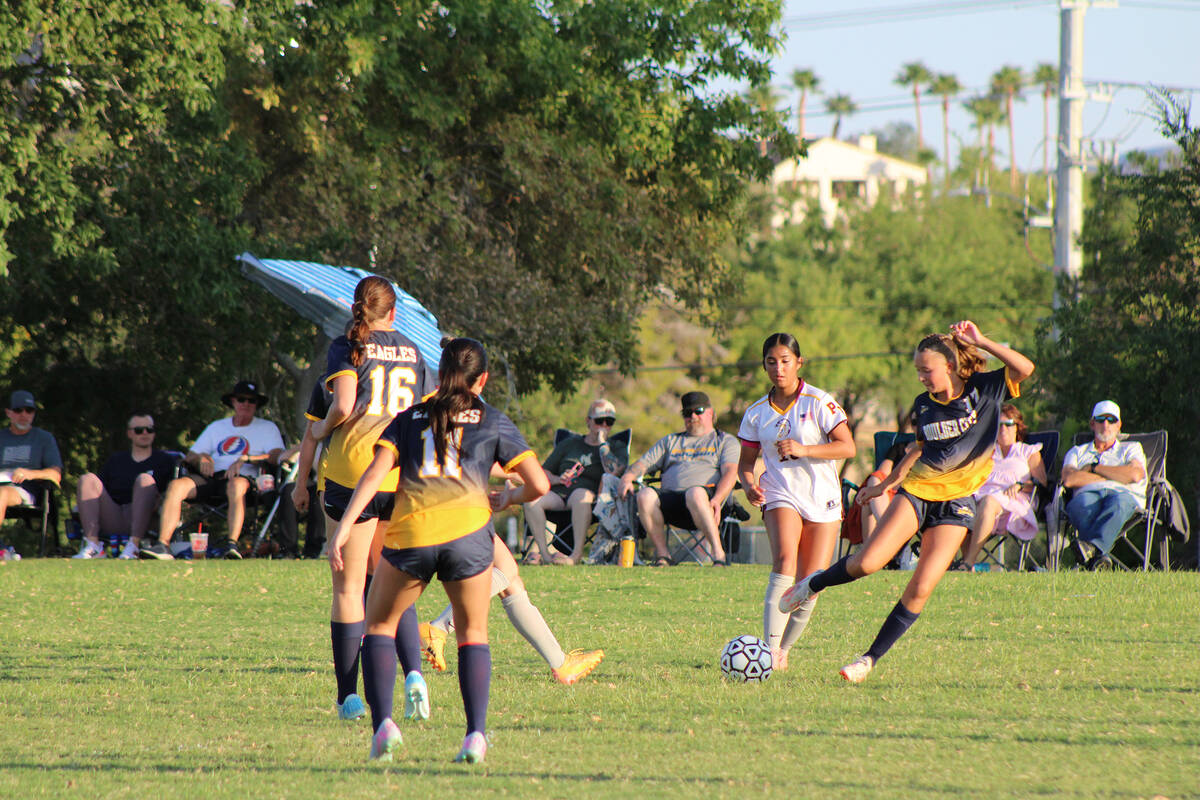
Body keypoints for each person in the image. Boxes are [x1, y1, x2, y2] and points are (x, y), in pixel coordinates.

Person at [328, 337, 549, 764]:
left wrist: (342, 529)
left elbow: (375, 473)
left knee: (378, 627)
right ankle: (475, 736)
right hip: (468, 539)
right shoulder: (493, 420)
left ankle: (384, 727)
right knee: (472, 635)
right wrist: (510, 499)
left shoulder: (410, 417)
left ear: (440, 371)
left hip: (412, 536)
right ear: (481, 379)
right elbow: (539, 484)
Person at [780, 321, 1035, 684]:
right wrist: (885, 485)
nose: (921, 378)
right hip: (917, 491)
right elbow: (920, 449)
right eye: (917, 370)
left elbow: (1025, 369)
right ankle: (813, 584)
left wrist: (980, 342)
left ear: (948, 366)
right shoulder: (923, 404)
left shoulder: (985, 389)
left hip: (958, 503)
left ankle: (868, 660)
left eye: (926, 370)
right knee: (868, 562)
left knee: (920, 589)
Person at [307, 276, 436, 723]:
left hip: (352, 473)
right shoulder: (414, 350)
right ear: (394, 312)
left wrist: (321, 430)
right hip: (397, 475)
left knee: (348, 589)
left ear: (356, 308)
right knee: (390, 581)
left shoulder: (348, 346)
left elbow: (341, 406)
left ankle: (349, 698)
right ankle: (415, 675)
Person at [737, 333, 856, 671]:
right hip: (779, 492)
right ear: (764, 365)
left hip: (823, 498)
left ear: (799, 363)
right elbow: (747, 465)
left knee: (812, 580)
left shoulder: (820, 402)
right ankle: (768, 652)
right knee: (785, 561)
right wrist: (748, 485)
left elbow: (848, 448)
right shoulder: (756, 413)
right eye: (771, 362)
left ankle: (784, 649)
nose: (778, 368)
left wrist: (805, 449)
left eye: (785, 360)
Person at [418, 533, 605, 683]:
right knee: (507, 570)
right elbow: (537, 485)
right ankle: (437, 628)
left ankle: (561, 664)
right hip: (460, 505)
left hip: (456, 503)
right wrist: (512, 496)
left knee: (511, 584)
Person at [141, 380, 284, 560]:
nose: (246, 404)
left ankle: (232, 545)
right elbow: (189, 456)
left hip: (245, 480)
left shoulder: (267, 428)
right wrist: (202, 457)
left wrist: (246, 458)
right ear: (233, 401)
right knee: (176, 486)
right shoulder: (217, 427)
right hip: (211, 476)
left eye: (251, 401)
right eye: (241, 399)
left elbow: (278, 455)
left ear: (257, 405)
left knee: (236, 485)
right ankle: (163, 545)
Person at [618, 391, 740, 566]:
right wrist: (627, 478)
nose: (692, 416)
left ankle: (718, 554)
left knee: (695, 493)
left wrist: (717, 499)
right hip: (672, 503)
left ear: (710, 413)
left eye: (698, 411)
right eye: (687, 413)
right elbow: (643, 464)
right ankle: (663, 555)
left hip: (708, 501)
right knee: (644, 495)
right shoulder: (670, 441)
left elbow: (730, 473)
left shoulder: (725, 441)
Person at [522, 399, 628, 565]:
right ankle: (545, 554)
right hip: (559, 493)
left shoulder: (616, 446)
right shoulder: (569, 443)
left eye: (610, 422)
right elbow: (543, 472)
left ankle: (575, 555)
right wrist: (558, 479)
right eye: (600, 421)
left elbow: (613, 470)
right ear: (588, 421)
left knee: (581, 494)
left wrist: (602, 444)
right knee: (531, 500)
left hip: (590, 499)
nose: (604, 425)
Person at [73, 412, 176, 559]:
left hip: (149, 517)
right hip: (115, 514)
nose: (145, 433)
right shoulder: (116, 460)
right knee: (87, 479)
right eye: (139, 430)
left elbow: (172, 494)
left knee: (144, 480)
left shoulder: (165, 461)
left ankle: (134, 546)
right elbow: (99, 490)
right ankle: (93, 546)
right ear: (130, 433)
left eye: (149, 429)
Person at [957, 403, 1047, 570]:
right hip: (981, 497)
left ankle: (967, 563)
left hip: (1014, 500)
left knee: (989, 502)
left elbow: (1041, 484)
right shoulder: (987, 452)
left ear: (1017, 427)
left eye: (1008, 424)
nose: (1003, 429)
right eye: (998, 424)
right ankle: (960, 561)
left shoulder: (1028, 451)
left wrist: (1020, 485)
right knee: (959, 504)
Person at [1059, 400, 1146, 571]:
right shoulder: (1077, 451)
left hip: (1122, 495)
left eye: (1111, 420)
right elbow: (1069, 479)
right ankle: (1097, 558)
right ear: (1092, 424)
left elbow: (1135, 474)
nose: (1106, 425)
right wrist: (1114, 476)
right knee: (1078, 506)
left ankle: (1092, 550)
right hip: (1086, 496)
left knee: (1118, 503)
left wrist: (1093, 469)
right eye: (1100, 420)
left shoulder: (1131, 448)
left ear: (1119, 425)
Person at [0, 390, 62, 529]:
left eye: (29, 410)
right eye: (18, 410)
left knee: (1, 493)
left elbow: (55, 475)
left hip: (25, 490)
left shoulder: (44, 438)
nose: (24, 415)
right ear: (8, 413)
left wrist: (30, 474)